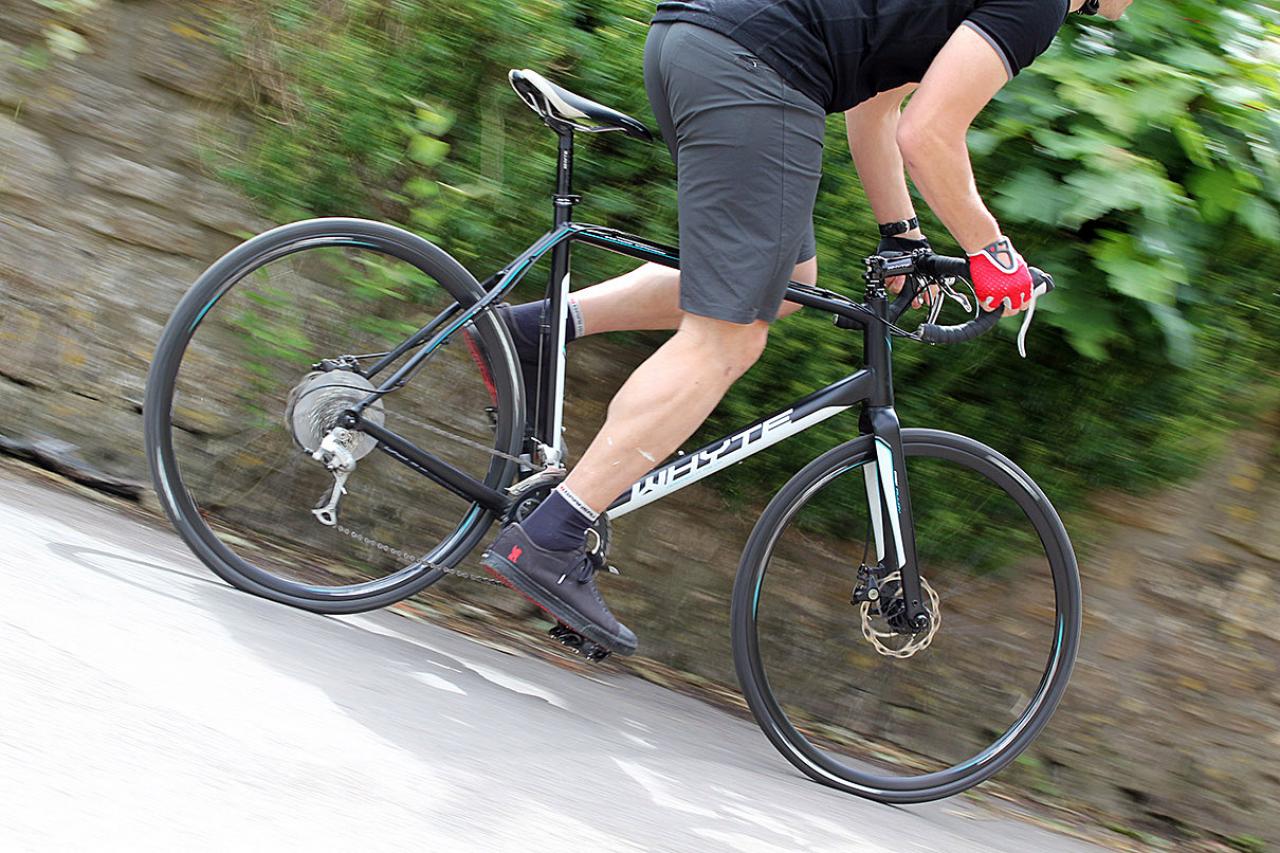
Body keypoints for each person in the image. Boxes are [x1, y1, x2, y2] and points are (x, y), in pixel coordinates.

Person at [480, 0, 1134, 656]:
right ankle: (551, 537)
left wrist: (902, 233)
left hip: (695, 37)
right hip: (758, 67)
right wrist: (993, 253)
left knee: (790, 283)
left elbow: (876, 109)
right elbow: (931, 133)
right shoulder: (1039, 5)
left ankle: (533, 332)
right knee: (730, 335)